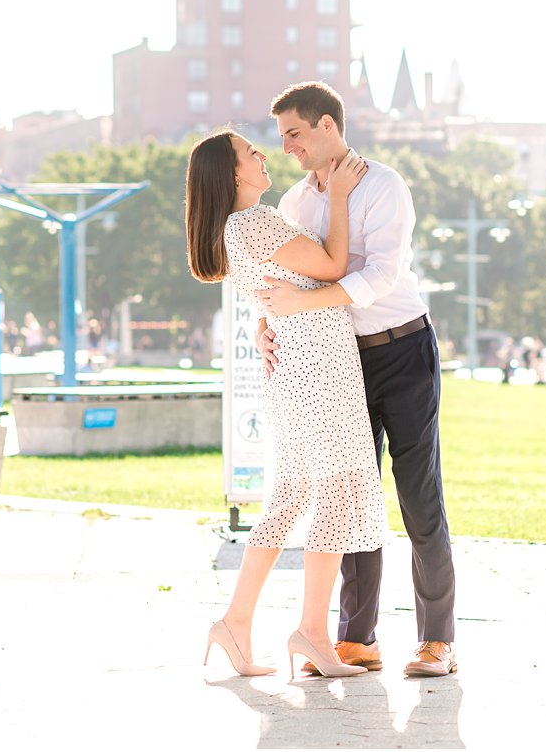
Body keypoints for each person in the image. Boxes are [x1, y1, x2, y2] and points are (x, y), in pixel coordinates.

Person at [254, 81, 459, 679]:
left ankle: (437, 641)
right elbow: (284, 277)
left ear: (326, 126)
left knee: (419, 496)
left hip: (404, 349)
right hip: (339, 361)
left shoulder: (385, 185)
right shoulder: (294, 202)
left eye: (293, 133)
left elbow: (381, 274)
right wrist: (267, 323)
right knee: (350, 495)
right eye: (282, 136)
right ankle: (356, 639)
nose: (287, 146)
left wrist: (297, 306)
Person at [186, 128, 385, 679]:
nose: (263, 155)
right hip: (317, 366)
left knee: (294, 494)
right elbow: (334, 265)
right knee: (337, 489)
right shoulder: (256, 220)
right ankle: (313, 632)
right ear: (232, 174)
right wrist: (341, 197)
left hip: (299, 365)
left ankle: (237, 622)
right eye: (252, 153)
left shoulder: (235, 228)